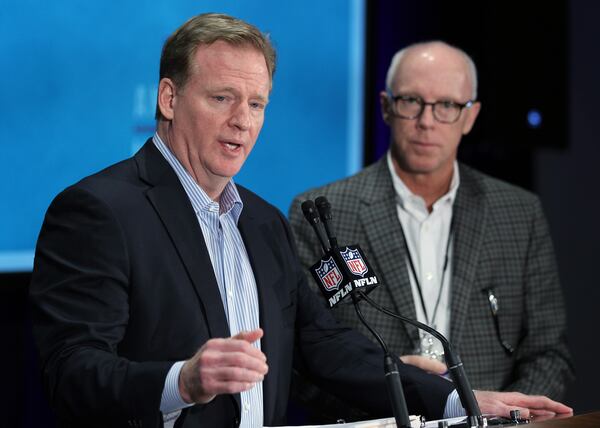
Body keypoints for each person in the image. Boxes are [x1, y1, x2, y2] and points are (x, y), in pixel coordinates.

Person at [29, 16, 570, 428]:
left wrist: (461, 401)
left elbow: (328, 347)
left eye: (257, 104)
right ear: (169, 98)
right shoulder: (99, 210)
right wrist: (183, 380)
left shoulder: (262, 221)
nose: (242, 120)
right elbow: (72, 373)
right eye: (222, 98)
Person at [289, 40, 574, 415]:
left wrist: (509, 417)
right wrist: (392, 388)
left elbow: (548, 352)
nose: (427, 121)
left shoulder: (519, 212)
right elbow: (302, 363)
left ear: (470, 116)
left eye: (447, 106)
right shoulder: (322, 214)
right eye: (411, 102)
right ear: (386, 108)